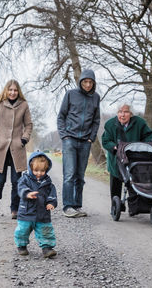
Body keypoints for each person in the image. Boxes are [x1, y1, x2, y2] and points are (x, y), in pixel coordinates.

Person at [57, 69, 100, 218]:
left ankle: (77, 206)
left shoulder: (96, 98)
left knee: (80, 176)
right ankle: (67, 206)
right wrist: (65, 136)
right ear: (80, 82)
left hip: (85, 141)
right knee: (69, 174)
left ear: (93, 83)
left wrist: (91, 138)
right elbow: (61, 116)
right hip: (70, 139)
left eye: (90, 82)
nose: (87, 84)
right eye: (85, 82)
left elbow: (96, 120)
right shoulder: (71, 94)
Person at [0, 80, 33, 219]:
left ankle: (15, 209)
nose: (13, 92)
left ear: (18, 91)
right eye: (10, 90)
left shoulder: (24, 105)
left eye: (15, 90)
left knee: (16, 181)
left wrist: (24, 139)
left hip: (17, 149)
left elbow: (29, 125)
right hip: (1, 149)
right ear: (6, 91)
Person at [101, 104, 152, 212]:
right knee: (115, 184)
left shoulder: (139, 123)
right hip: (116, 160)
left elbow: (150, 135)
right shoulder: (110, 124)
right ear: (117, 113)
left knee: (132, 182)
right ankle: (116, 207)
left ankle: (134, 207)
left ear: (131, 114)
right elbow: (106, 141)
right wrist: (114, 147)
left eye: (126, 112)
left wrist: (146, 145)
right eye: (120, 112)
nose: (122, 115)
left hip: (134, 159)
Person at [14, 151, 57, 258]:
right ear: (30, 168)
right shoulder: (25, 179)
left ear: (46, 170)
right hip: (26, 212)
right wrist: (27, 193)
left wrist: (51, 203)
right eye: (36, 170)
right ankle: (22, 246)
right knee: (22, 230)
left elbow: (52, 195)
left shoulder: (48, 183)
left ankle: (47, 248)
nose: (39, 173)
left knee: (46, 230)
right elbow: (20, 188)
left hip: (42, 213)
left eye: (42, 171)